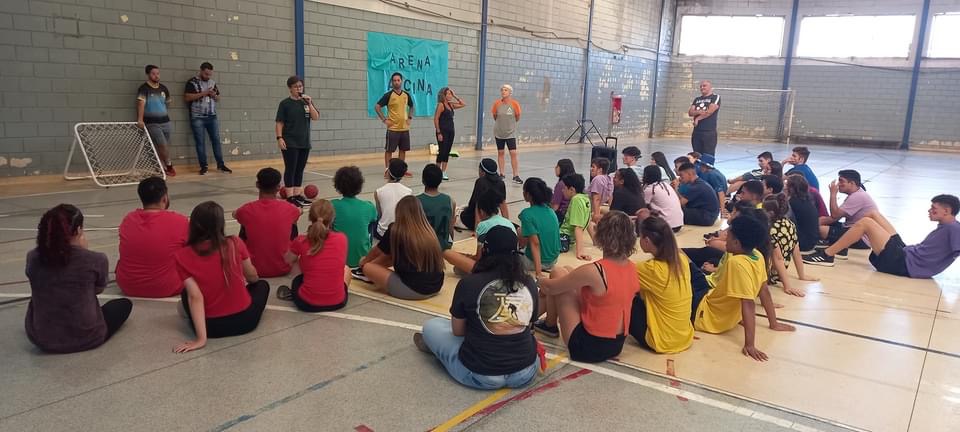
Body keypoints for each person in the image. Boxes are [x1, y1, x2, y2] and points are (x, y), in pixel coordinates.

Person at [414, 226, 540, 390]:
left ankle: (440, 352)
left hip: (481, 374)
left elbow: (458, 331)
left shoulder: (469, 283)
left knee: (432, 326)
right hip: (525, 371)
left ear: (485, 250)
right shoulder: (529, 283)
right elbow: (528, 326)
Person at [25, 204, 133, 354]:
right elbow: (97, 289)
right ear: (78, 230)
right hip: (87, 338)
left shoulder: (33, 257)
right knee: (124, 304)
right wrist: (83, 251)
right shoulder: (95, 259)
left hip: (42, 339)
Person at [536, 211, 640, 363]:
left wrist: (539, 280)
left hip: (587, 347)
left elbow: (551, 288)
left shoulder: (595, 270)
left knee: (557, 273)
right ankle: (548, 323)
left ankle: (549, 324)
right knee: (568, 271)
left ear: (601, 236)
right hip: (616, 345)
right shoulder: (632, 268)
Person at [693, 214, 795, 362]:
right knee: (692, 270)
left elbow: (748, 303)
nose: (725, 238)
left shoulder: (736, 263)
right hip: (718, 307)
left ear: (736, 243)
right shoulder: (757, 255)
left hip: (706, 315)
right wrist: (773, 323)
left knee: (684, 267)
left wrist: (750, 345)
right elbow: (764, 291)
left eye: (728, 236)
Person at [174, 201, 270, 353]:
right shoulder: (234, 243)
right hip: (245, 321)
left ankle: (193, 316)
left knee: (187, 293)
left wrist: (201, 339)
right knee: (262, 285)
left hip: (211, 327)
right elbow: (252, 276)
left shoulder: (181, 255)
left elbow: (195, 297)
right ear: (220, 224)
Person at [803, 195, 960, 278]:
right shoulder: (947, 226)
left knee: (865, 223)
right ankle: (844, 243)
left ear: (947, 211)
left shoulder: (954, 229)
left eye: (934, 208)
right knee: (873, 214)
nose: (929, 211)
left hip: (903, 264)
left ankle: (827, 255)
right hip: (905, 253)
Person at [629, 216, 694, 354]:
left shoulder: (651, 270)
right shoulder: (681, 260)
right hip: (684, 336)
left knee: (623, 294)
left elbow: (616, 274)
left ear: (646, 241)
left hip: (662, 341)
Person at [359, 196, 445, 299]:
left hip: (414, 289)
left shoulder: (395, 230)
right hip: (436, 285)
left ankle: (366, 271)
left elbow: (377, 251)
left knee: (368, 267)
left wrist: (364, 262)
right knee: (391, 256)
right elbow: (388, 256)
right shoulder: (428, 230)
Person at [116, 177, 189, 298]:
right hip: (167, 287)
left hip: (128, 286)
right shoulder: (180, 221)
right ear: (164, 198)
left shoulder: (128, 219)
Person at [279, 199, 351, 311]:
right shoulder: (342, 238)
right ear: (332, 219)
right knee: (346, 269)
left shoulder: (301, 240)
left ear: (310, 218)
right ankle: (332, 291)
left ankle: (306, 287)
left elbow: (287, 260)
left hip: (307, 303)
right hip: (338, 302)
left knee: (296, 261)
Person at [234, 168, 302, 278]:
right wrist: (298, 210)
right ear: (279, 187)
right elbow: (299, 212)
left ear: (257, 185)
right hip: (284, 267)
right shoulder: (289, 208)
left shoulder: (246, 209)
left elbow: (235, 214)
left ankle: (248, 257)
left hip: (254, 268)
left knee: (245, 222)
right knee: (293, 221)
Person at [444, 189, 515, 276]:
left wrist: (466, 257)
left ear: (481, 211)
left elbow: (479, 257)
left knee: (458, 269)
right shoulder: (508, 222)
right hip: (511, 266)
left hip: (491, 267)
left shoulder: (482, 225)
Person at [275, 75, 319, 207]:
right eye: (296, 87)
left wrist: (310, 103)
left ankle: (298, 194)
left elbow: (315, 117)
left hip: (304, 142)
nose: (299, 89)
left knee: (300, 169)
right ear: (290, 88)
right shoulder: (285, 104)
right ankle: (290, 196)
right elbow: (279, 122)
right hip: (290, 141)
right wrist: (279, 138)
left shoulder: (306, 102)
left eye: (300, 86)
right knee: (291, 168)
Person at [763, 194, 817, 297]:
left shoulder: (770, 229)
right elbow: (796, 251)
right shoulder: (790, 224)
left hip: (769, 273)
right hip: (778, 272)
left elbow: (778, 258)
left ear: (770, 213)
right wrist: (801, 275)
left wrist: (787, 286)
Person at [816, 170, 878, 257]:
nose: (838, 184)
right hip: (851, 228)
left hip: (861, 239)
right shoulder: (857, 194)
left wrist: (833, 194)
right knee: (821, 224)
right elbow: (834, 218)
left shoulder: (858, 196)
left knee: (821, 230)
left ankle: (837, 249)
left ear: (852, 183)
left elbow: (835, 215)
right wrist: (817, 221)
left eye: (841, 181)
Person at [184, 62, 230, 175]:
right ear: (201, 71)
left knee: (216, 140)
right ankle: (203, 166)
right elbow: (187, 97)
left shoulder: (212, 82)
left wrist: (214, 95)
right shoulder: (192, 82)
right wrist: (204, 93)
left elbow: (218, 98)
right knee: (200, 142)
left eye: (210, 74)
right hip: (197, 117)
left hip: (211, 116)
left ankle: (221, 165)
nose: (208, 76)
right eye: (206, 74)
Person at [331, 166, 378, 270]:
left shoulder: (332, 205)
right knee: (370, 225)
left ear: (338, 186)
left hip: (338, 260)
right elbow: (372, 224)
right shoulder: (369, 206)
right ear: (360, 185)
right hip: (362, 259)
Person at [518, 178, 561, 278]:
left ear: (528, 195)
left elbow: (535, 243)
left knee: (518, 233)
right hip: (553, 260)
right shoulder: (551, 211)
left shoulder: (527, 214)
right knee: (522, 231)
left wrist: (538, 273)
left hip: (535, 263)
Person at [137, 64, 175, 176]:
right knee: (162, 145)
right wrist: (140, 119)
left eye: (158, 73)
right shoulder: (144, 88)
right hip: (152, 123)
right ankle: (169, 165)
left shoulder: (163, 88)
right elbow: (140, 104)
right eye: (153, 74)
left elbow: (168, 103)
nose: (156, 76)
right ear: (148, 74)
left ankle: (161, 167)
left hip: (165, 122)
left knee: (163, 146)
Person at [375, 72, 414, 177]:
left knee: (403, 150)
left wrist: (409, 117)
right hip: (393, 129)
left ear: (401, 81)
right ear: (392, 82)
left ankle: (401, 170)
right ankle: (388, 170)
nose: (396, 82)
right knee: (389, 151)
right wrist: (384, 120)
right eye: (394, 80)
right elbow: (377, 107)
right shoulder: (388, 95)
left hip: (404, 129)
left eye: (398, 80)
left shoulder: (406, 95)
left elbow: (411, 106)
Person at [460, 158, 509, 231]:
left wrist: (477, 230)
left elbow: (477, 207)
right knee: (463, 207)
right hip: (491, 219)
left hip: (471, 220)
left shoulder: (480, 182)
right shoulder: (500, 183)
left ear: (483, 172)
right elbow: (503, 206)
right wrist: (507, 224)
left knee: (455, 211)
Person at [418, 164, 455, 251]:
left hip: (423, 249)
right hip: (443, 247)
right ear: (440, 180)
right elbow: (450, 228)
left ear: (423, 180)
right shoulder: (450, 200)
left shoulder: (416, 201)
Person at [375, 158, 413, 239]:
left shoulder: (378, 192)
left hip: (383, 233)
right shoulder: (409, 191)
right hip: (402, 232)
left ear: (388, 172)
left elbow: (380, 214)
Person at [433, 87, 465, 181]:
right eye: (448, 94)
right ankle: (437, 171)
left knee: (447, 152)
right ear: (444, 95)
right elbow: (436, 118)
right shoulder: (441, 105)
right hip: (442, 131)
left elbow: (463, 104)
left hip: (451, 131)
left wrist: (455, 96)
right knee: (442, 151)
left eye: (451, 94)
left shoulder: (451, 105)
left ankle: (443, 171)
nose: (450, 95)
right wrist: (438, 132)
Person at [492, 84, 523, 184]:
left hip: (510, 133)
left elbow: (517, 117)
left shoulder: (515, 104)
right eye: (502, 90)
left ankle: (515, 175)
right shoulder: (497, 104)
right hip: (499, 132)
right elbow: (495, 116)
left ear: (510, 92)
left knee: (513, 153)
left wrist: (510, 125)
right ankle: (502, 173)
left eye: (505, 90)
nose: (503, 92)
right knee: (500, 152)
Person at [559, 174, 592, 261]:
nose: (562, 190)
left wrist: (580, 251)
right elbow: (588, 221)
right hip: (569, 238)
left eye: (564, 188)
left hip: (563, 237)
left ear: (572, 189)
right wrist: (595, 240)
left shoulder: (576, 200)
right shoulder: (585, 198)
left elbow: (578, 227)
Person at [784, 174, 820, 254]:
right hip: (811, 241)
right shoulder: (808, 200)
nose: (785, 187)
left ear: (792, 188)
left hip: (802, 243)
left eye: (787, 185)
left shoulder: (792, 203)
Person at [642, 165, 683, 231]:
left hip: (666, 226)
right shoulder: (666, 185)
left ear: (646, 175)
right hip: (679, 223)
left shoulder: (650, 189)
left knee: (642, 212)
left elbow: (643, 205)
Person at [677, 162, 720, 226]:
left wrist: (675, 189)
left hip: (707, 217)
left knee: (675, 210)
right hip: (710, 215)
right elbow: (684, 199)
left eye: (681, 175)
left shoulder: (696, 187)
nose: (680, 178)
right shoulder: (698, 183)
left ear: (689, 174)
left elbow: (679, 203)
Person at [688, 80, 721, 156]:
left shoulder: (715, 97)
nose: (702, 88)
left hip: (709, 132)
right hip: (697, 132)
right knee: (696, 155)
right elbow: (690, 112)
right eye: (701, 86)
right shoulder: (697, 99)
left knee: (708, 155)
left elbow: (709, 111)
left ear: (710, 87)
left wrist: (697, 118)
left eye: (704, 86)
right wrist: (699, 111)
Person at [588, 158, 614, 222]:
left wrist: (596, 215)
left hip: (592, 209)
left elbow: (596, 198)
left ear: (600, 170)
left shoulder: (597, 179)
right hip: (600, 207)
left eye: (593, 167)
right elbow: (611, 196)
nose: (591, 169)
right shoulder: (609, 178)